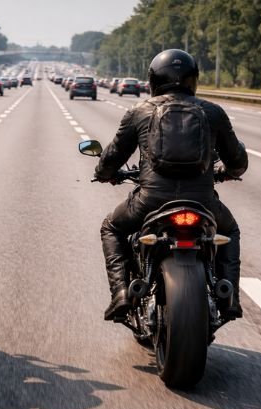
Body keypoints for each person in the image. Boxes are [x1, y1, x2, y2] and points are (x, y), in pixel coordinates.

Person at [95, 49, 248, 322]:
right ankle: (230, 296)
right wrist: (226, 173)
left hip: (150, 200)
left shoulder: (139, 111)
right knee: (230, 230)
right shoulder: (212, 112)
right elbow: (238, 161)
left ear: (153, 80)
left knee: (112, 228)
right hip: (202, 200)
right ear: (193, 79)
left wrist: (104, 174)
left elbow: (113, 156)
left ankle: (121, 293)